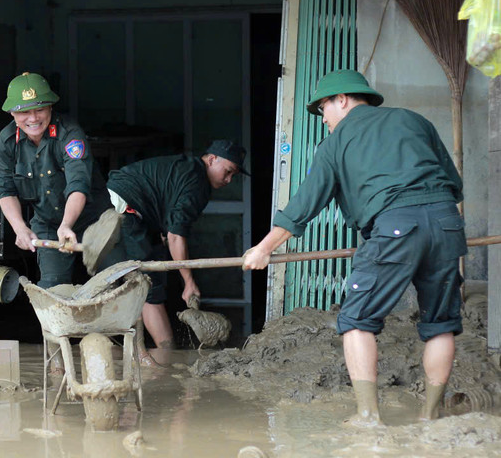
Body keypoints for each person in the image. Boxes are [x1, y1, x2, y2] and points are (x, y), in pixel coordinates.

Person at [243, 69, 466, 426]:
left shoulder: (337, 140)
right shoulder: (414, 120)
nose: (324, 120)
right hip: (446, 222)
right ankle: (430, 416)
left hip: (395, 226)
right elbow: (454, 184)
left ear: (342, 100)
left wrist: (263, 249)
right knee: (440, 324)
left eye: (323, 110)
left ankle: (367, 416)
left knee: (357, 321)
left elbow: (305, 204)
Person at [106, 139, 249, 356]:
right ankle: (166, 353)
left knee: (152, 269)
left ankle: (153, 350)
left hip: (130, 206)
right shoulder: (197, 182)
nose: (229, 180)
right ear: (212, 160)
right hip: (125, 207)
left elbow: (168, 214)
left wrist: (164, 232)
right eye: (227, 171)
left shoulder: (189, 169)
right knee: (147, 282)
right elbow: (175, 236)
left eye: (233, 175)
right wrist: (189, 283)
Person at [0, 72, 112, 289]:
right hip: (47, 223)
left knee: (112, 282)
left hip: (94, 220)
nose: (33, 118)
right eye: (24, 112)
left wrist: (67, 225)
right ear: (12, 113)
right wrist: (19, 227)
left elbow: (78, 184)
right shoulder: (7, 142)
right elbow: (5, 189)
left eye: (40, 109)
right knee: (52, 289)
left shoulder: (69, 134)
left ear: (51, 108)